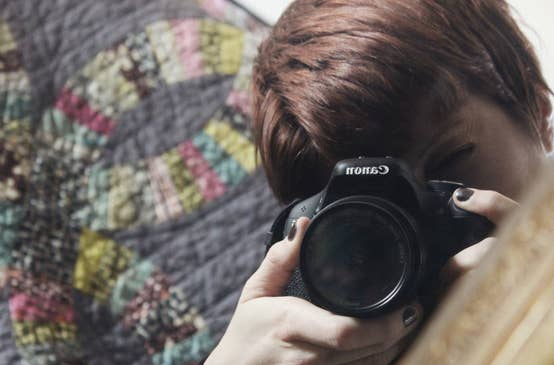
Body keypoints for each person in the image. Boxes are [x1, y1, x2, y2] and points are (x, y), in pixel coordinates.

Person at [205, 0, 552, 364]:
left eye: (449, 163)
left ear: (538, 107)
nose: (404, 233)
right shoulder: (311, 341)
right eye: (363, 220)